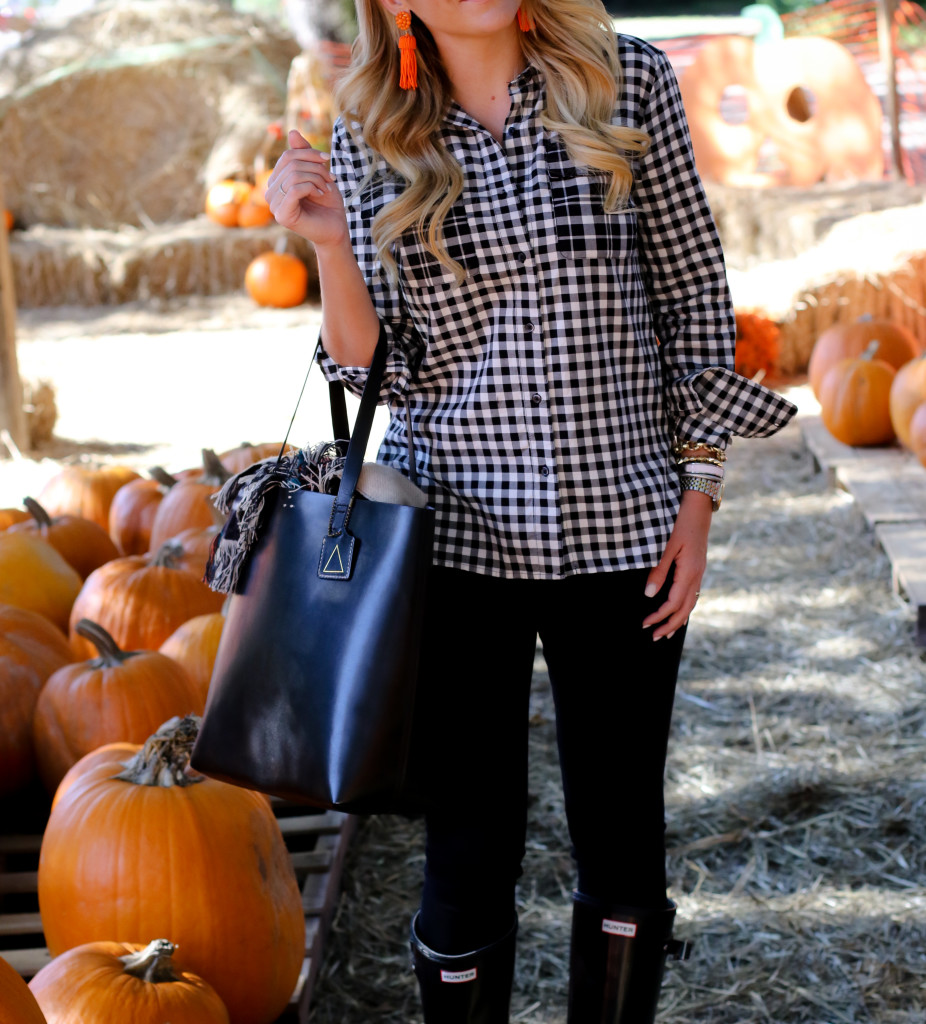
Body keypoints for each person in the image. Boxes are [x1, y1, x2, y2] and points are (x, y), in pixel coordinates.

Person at [265, 0, 796, 1019]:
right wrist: (330, 243)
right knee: (469, 850)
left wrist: (698, 493)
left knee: (623, 842)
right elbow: (372, 368)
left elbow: (692, 299)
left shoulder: (623, 82)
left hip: (624, 531)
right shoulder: (370, 129)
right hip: (454, 542)